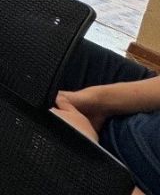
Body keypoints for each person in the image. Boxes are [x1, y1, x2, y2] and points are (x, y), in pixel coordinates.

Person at [53, 40, 157, 195]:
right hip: (140, 103)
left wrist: (94, 160)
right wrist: (98, 101)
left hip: (122, 179)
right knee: (33, 43)